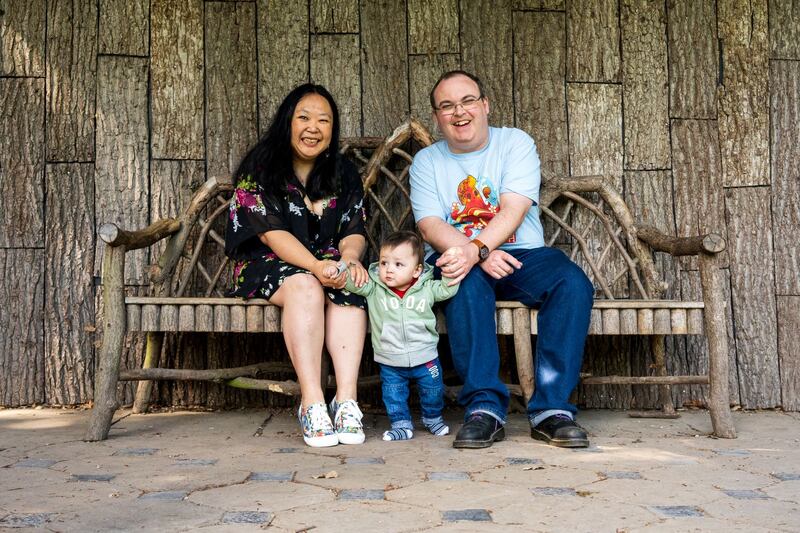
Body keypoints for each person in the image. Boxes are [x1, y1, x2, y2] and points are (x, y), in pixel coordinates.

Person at [409, 70, 594, 449]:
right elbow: (429, 226)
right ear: (436, 116)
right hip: (457, 258)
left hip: (520, 254)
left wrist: (480, 250)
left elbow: (513, 210)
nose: (459, 112)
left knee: (572, 283)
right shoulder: (426, 162)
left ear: (485, 105)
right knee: (462, 281)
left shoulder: (515, 143)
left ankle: (551, 411)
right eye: (447, 106)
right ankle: (484, 410)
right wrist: (474, 257)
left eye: (467, 101)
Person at [225, 83, 369, 448]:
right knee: (306, 285)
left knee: (351, 282)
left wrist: (349, 259)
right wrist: (317, 268)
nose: (313, 128)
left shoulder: (342, 172)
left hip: (327, 266)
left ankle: (347, 401)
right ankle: (312, 401)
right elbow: (273, 236)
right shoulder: (259, 169)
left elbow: (355, 228)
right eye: (304, 117)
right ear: (287, 121)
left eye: (324, 120)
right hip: (268, 265)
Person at [332, 231, 459, 441]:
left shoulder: (426, 287)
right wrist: (338, 272)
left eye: (398, 264)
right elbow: (350, 282)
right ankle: (401, 424)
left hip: (425, 356)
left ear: (417, 270)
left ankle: (432, 418)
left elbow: (447, 289)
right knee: (393, 394)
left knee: (433, 390)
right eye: (384, 263)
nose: (389, 269)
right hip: (390, 357)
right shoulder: (374, 287)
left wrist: (449, 268)